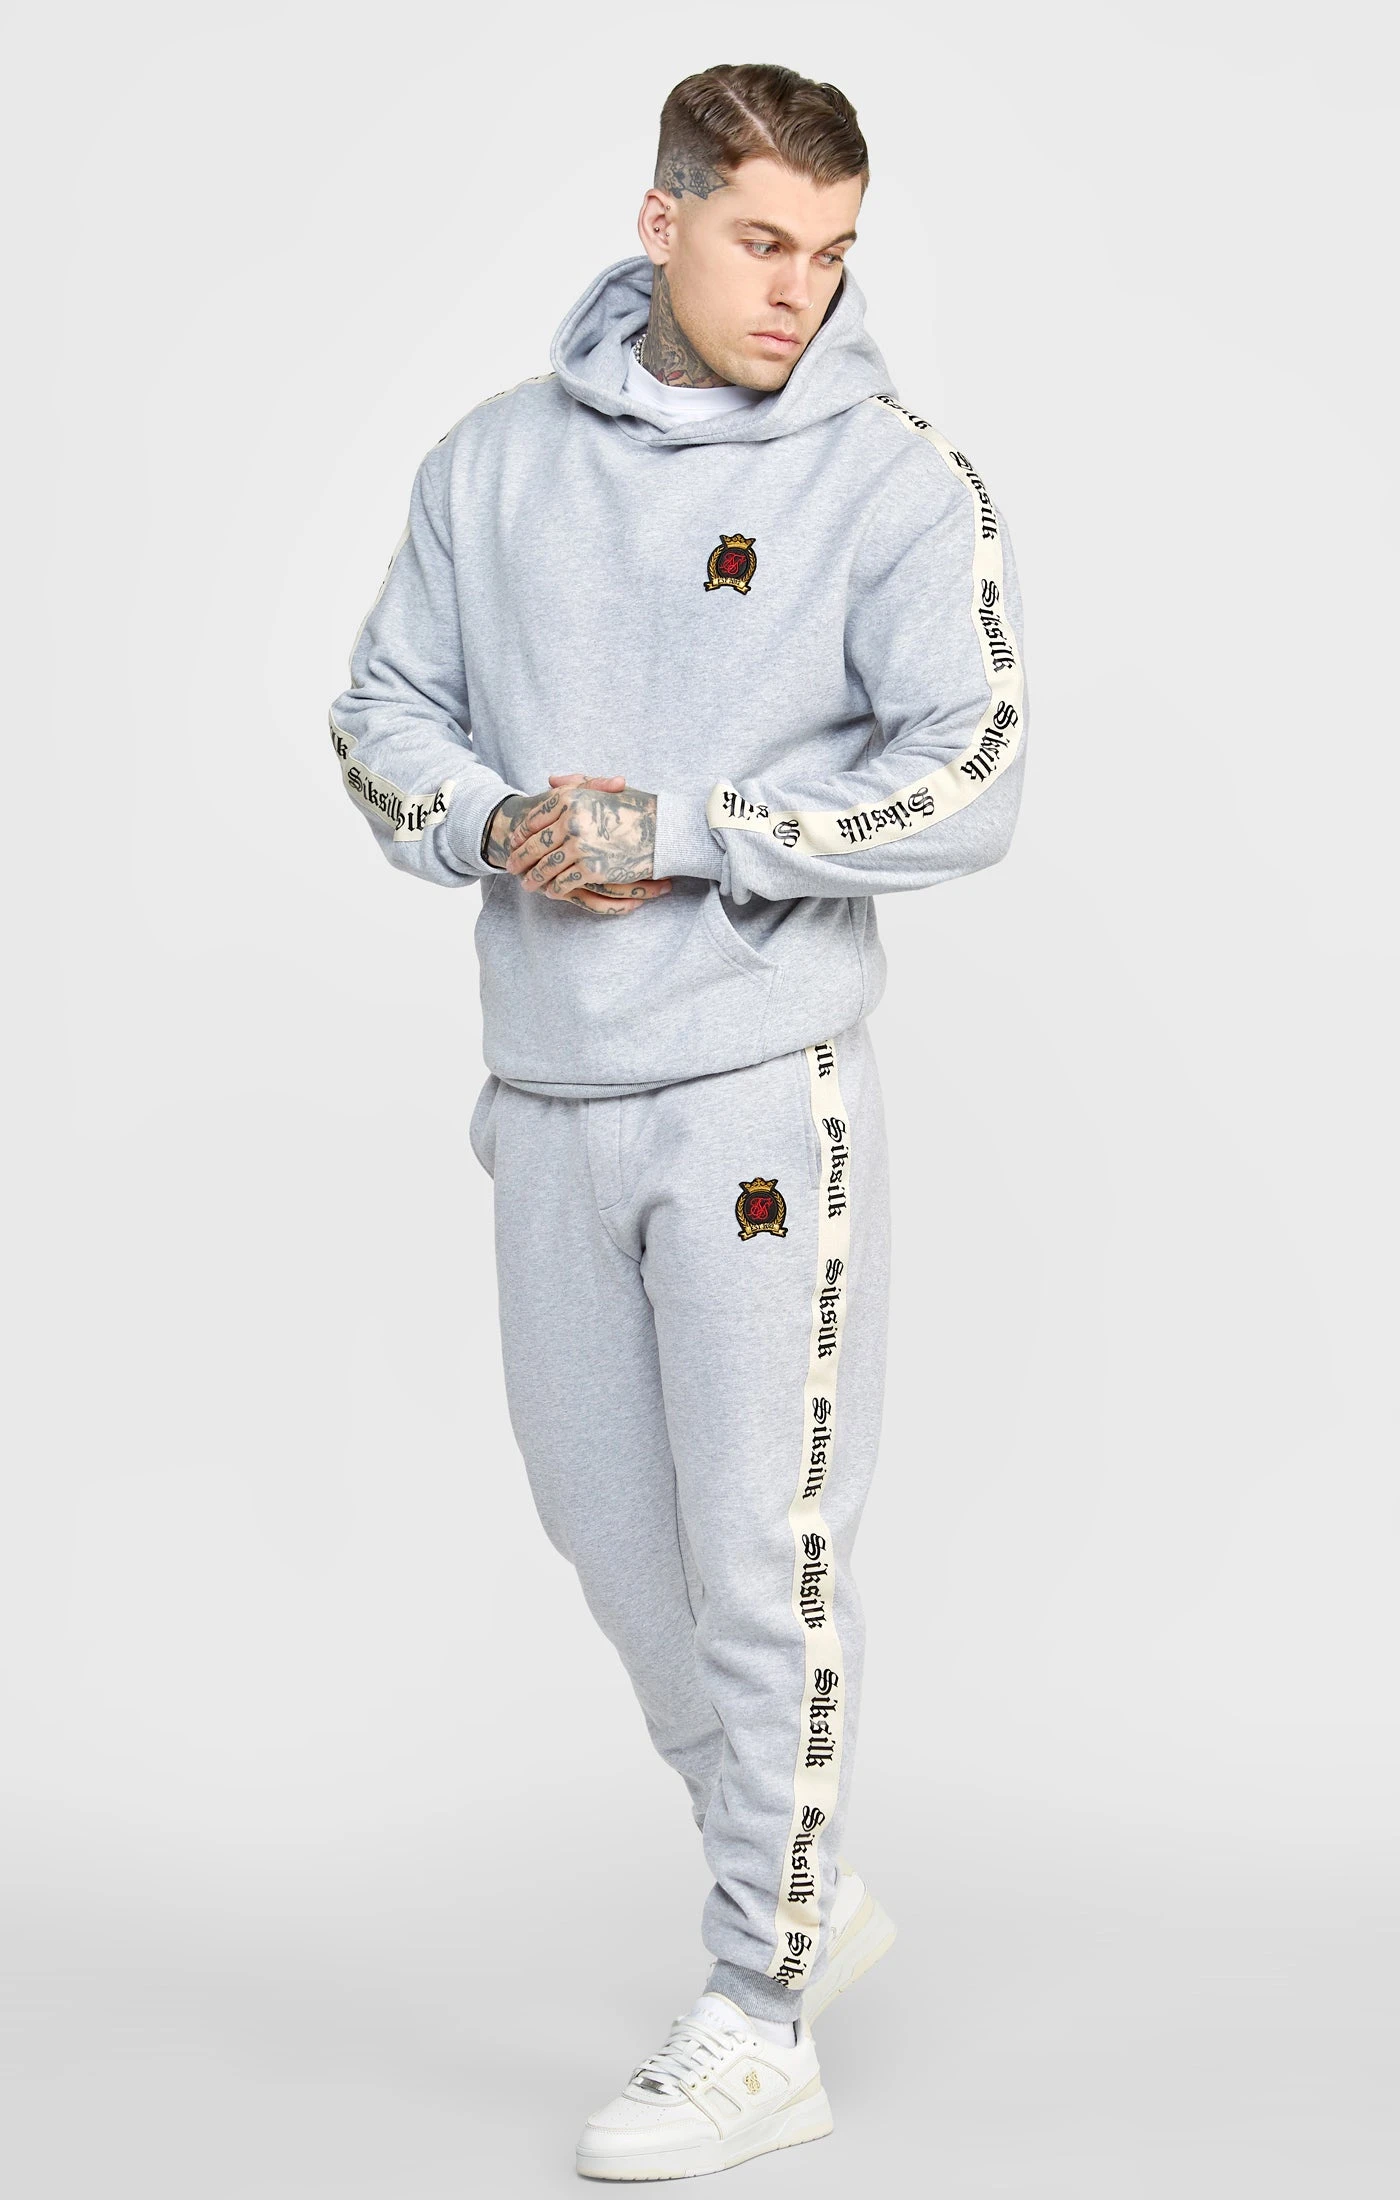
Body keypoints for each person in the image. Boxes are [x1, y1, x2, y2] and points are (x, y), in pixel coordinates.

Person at [328, 59, 1028, 2182]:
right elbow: (381, 709)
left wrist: (697, 827)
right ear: (661, 224)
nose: (799, 291)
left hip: (753, 1098)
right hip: (547, 1088)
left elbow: (972, 771)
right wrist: (490, 821)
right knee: (603, 1527)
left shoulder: (890, 482)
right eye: (760, 242)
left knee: (756, 1553)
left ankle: (758, 2005)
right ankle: (793, 1861)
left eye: (831, 252)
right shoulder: (493, 463)